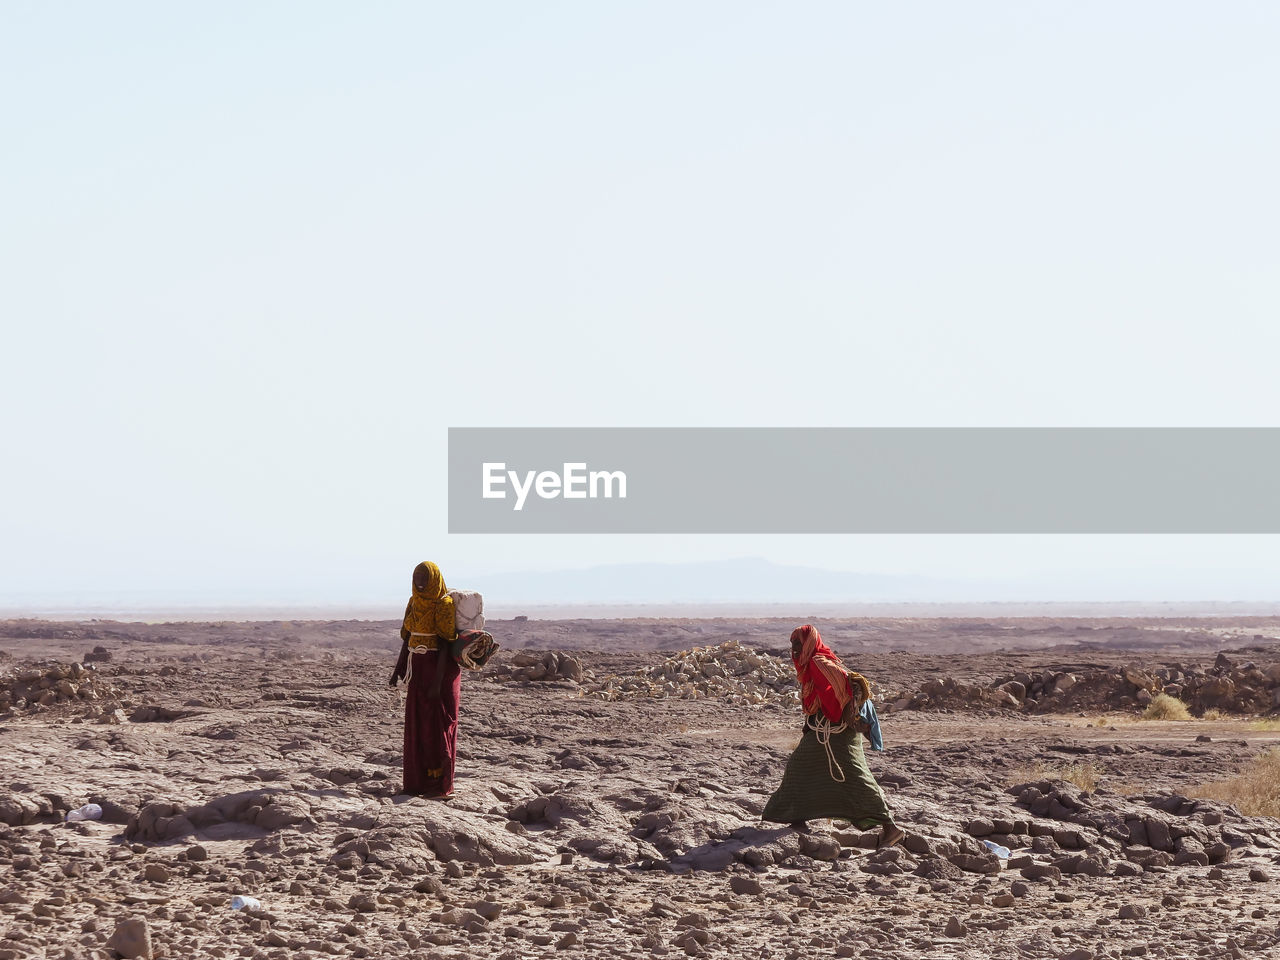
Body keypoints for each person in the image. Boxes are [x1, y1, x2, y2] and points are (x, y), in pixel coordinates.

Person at [762, 624, 904, 848]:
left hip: (836, 733)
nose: (795, 649)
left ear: (808, 643)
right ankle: (797, 817)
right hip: (824, 730)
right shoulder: (814, 663)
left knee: (854, 775)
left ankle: (890, 827)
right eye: (792, 644)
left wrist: (836, 714)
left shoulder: (818, 662)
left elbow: (839, 688)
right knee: (801, 766)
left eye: (798, 643)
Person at [389, 561, 459, 798]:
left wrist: (438, 683)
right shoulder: (413, 602)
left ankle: (439, 785)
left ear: (434, 579)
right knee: (418, 725)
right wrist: (398, 669)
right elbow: (407, 638)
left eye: (424, 576)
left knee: (436, 725)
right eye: (417, 575)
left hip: (438, 669)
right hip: (417, 669)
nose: (420, 580)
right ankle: (417, 782)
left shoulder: (444, 604)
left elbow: (446, 643)